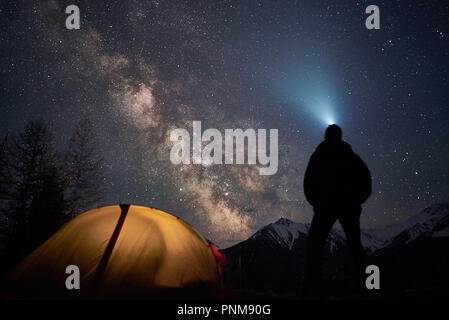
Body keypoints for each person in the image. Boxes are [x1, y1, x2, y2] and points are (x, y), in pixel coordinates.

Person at [302, 124, 371, 298]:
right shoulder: (352, 157)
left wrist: (316, 202)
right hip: (350, 206)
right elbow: (366, 179)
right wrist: (358, 200)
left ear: (326, 136)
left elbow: (308, 181)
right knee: (355, 245)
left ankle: (314, 287)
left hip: (325, 206)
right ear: (340, 136)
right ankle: (366, 286)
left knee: (315, 245)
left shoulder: (318, 156)